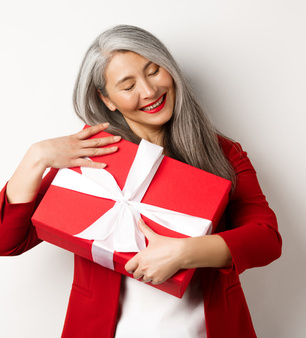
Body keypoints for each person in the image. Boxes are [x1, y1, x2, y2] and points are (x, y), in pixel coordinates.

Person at [0, 25, 281, 338]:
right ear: (106, 99)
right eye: (127, 85)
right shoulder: (93, 154)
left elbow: (265, 239)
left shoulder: (221, 153)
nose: (148, 91)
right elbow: (7, 241)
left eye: (154, 71)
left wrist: (184, 252)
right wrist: (35, 157)